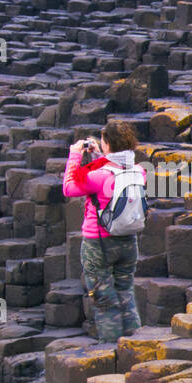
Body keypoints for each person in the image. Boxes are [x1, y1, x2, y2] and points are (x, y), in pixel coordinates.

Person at [62, 119, 146, 343]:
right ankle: (135, 348)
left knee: (105, 301)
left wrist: (75, 155)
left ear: (108, 143)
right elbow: (112, 174)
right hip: (129, 242)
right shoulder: (138, 171)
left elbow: (69, 187)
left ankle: (112, 353)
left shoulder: (99, 176)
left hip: (99, 244)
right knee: (126, 294)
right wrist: (101, 156)